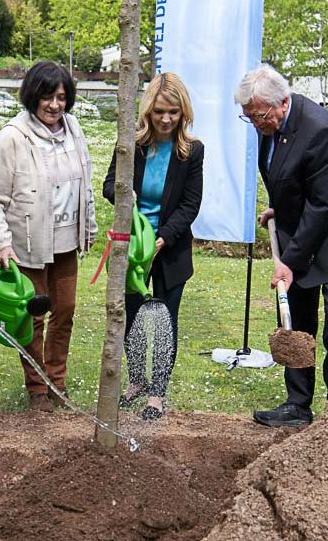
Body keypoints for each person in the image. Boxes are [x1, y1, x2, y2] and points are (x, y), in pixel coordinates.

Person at [235, 64, 328, 427]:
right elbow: (288, 176)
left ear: (283, 102)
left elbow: (322, 205)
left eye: (259, 116)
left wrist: (289, 262)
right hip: (301, 226)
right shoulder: (269, 124)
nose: (255, 124)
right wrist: (279, 209)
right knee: (297, 318)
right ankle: (298, 403)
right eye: (248, 117)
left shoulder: (321, 131)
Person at [0, 61, 97, 412]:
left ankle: (56, 381)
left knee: (65, 311)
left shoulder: (73, 129)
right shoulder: (13, 137)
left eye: (61, 97)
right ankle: (37, 387)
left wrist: (89, 226)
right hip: (28, 244)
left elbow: (86, 184)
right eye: (47, 97)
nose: (54, 105)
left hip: (66, 241)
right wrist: (2, 242)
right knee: (33, 315)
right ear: (33, 96)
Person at [101, 72, 203, 420]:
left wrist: (163, 238)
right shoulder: (132, 144)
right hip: (132, 248)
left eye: (173, 112)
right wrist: (125, 197)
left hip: (170, 248)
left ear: (183, 112)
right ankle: (136, 381)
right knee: (129, 317)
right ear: (148, 111)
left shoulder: (192, 151)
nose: (165, 119)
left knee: (164, 322)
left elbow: (191, 204)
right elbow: (109, 185)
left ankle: (157, 393)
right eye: (159, 111)